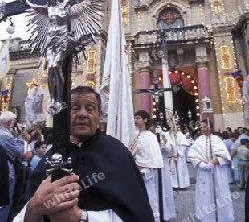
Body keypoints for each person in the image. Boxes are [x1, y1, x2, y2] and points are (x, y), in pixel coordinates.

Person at [15, 86, 153, 221]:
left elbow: (137, 214)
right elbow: (26, 211)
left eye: (90, 109)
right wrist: (33, 210)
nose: (82, 114)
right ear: (65, 114)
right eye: (75, 109)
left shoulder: (117, 153)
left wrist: (81, 217)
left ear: (99, 115)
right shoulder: (53, 154)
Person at [24, 0, 107, 115]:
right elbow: (34, 7)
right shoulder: (48, 9)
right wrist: (26, 3)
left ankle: (60, 97)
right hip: (50, 41)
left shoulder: (66, 4)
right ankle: (53, 100)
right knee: (50, 69)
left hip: (62, 40)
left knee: (56, 65)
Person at [188, 120, 234, 221]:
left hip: (217, 172)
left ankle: (221, 217)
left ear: (210, 128)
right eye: (201, 127)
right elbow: (191, 154)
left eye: (205, 127)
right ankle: (207, 217)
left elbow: (225, 155)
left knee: (219, 193)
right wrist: (203, 164)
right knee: (206, 194)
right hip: (204, 172)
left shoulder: (216, 139)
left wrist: (213, 162)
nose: (202, 129)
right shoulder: (199, 140)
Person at [0, 110, 25, 222]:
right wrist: (19, 137)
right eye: (13, 121)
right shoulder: (5, 135)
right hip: (5, 171)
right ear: (9, 122)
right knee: (4, 201)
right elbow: (19, 151)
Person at [133, 110, 164, 222]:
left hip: (146, 174)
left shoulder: (150, 136)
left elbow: (153, 158)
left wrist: (145, 171)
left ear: (145, 120)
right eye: (135, 118)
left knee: (150, 198)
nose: (135, 120)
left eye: (138, 118)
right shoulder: (134, 134)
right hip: (134, 173)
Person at [172, 123, 190, 189]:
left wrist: (179, 153)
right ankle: (174, 185)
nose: (177, 129)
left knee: (181, 169)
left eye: (178, 127)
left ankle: (183, 185)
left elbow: (184, 146)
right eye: (175, 127)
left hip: (180, 156)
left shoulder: (182, 136)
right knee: (174, 170)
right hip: (173, 155)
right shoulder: (172, 136)